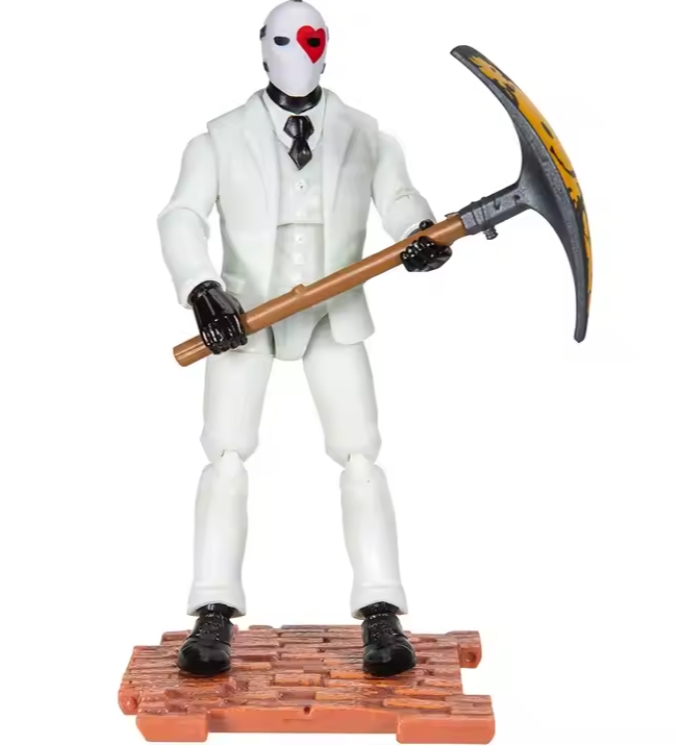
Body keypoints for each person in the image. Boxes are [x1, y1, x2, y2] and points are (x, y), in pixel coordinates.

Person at [158, 0, 452, 678]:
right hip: (245, 316)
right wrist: (202, 287)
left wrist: (420, 232)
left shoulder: (365, 134)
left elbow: (400, 197)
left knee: (360, 452)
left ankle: (380, 606)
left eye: (311, 40)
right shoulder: (218, 138)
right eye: (286, 41)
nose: (299, 54)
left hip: (333, 309)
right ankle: (212, 608)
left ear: (327, 48)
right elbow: (180, 216)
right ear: (262, 47)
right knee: (225, 452)